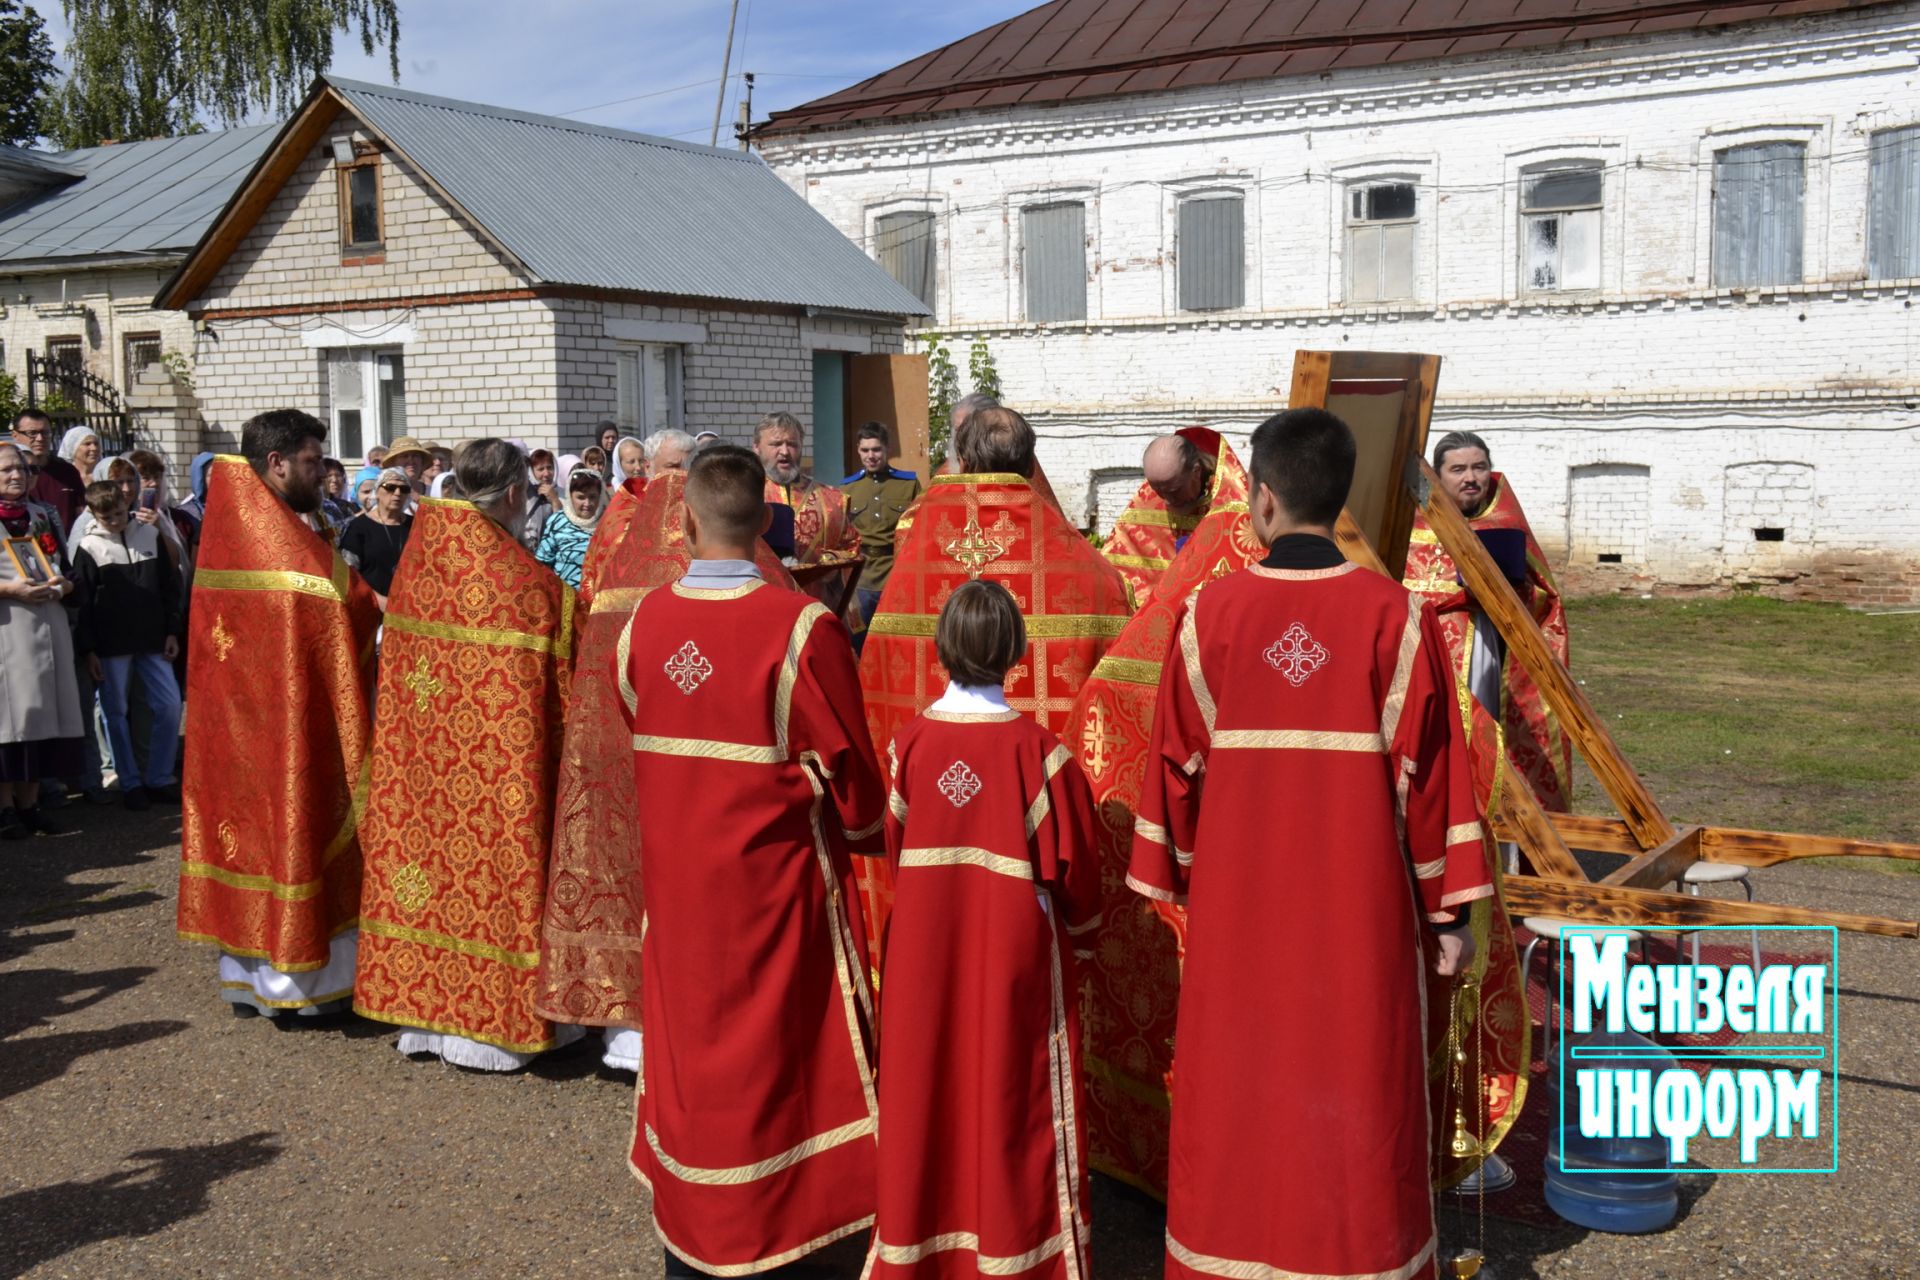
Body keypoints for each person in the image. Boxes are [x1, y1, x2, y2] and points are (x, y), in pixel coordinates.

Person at [1128, 408, 1491, 1280]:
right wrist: (1448, 917)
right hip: (1359, 932)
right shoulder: (1398, 621)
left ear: (1258, 501)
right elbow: (1437, 787)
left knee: (1242, 1105)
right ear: (1341, 501)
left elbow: (1170, 768)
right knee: (1357, 1107)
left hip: (1238, 925)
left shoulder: (1208, 615)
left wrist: (1171, 878)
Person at [618, 444, 881, 1274]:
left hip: (679, 894)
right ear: (769, 523)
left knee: (697, 1055)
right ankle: (790, 1226)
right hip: (775, 891)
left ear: (685, 519)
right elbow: (855, 782)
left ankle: (697, 1219)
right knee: (782, 1052)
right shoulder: (802, 626)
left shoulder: (642, 624)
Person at [869, 580, 1097, 1280]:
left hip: (925, 952)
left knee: (928, 1089)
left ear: (941, 650)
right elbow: (1077, 873)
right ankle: (1016, 1254)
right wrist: (1083, 935)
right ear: (1017, 653)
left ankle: (922, 1248)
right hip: (1012, 958)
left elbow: (895, 850)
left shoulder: (909, 746)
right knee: (1010, 1097)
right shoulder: (1041, 754)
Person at [535, 468, 795, 1073]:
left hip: (625, 765)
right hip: (718, 784)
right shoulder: (770, 589)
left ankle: (624, 1027)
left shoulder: (619, 583)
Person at [856, 404, 1131, 965]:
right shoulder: (1087, 571)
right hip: (1032, 815)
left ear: (961, 459)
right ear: (1031, 462)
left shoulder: (918, 540)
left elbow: (880, 676)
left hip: (928, 792)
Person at [354, 438, 579, 1070]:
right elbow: (565, 691)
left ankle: (426, 1018)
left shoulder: (419, 573)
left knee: (428, 872)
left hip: (423, 775)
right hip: (504, 784)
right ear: (512, 496)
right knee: (495, 879)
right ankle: (503, 1029)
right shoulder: (533, 590)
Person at [179, 411, 381, 1019]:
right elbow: (347, 601)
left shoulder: (236, 525)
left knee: (248, 831)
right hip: (285, 725)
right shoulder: (283, 553)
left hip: (236, 729)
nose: (323, 474)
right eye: (314, 462)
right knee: (295, 824)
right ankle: (305, 990)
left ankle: (246, 979)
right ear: (278, 463)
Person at [1402, 430, 1572, 810]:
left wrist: (1513, 590)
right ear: (1438, 475)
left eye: (1479, 467)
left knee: (1495, 746)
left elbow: (1546, 595)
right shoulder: (1414, 528)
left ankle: (1503, 834)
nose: (1470, 477)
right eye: (1458, 469)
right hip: (1439, 655)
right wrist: (1465, 591)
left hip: (1497, 659)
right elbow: (1405, 589)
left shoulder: (1506, 523)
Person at [71, 481, 183, 811]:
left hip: (153, 639)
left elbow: (169, 586)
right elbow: (85, 604)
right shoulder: (89, 547)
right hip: (111, 645)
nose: (117, 521)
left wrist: (172, 630)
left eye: (120, 513)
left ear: (127, 504)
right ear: (93, 514)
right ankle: (130, 781)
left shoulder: (149, 535)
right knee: (115, 712)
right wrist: (89, 649)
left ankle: (159, 777)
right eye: (108, 517)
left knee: (170, 705)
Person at [0, 442, 83, 838]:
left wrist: (62, 584)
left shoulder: (42, 515)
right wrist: (11, 590)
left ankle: (30, 804)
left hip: (46, 626)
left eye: (20, 469)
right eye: (6, 470)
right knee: (6, 722)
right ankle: (4, 809)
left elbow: (66, 569)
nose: (16, 476)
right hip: (6, 630)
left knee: (40, 719)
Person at [1102, 428, 1249, 611]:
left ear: (1196, 471)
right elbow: (1118, 568)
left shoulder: (1232, 499)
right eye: (1157, 490)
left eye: (1174, 491)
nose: (1166, 500)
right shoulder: (1154, 492)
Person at [838, 421, 921, 638]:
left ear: (887, 449)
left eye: (876, 449)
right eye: (865, 450)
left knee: (894, 641)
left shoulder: (908, 484)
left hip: (895, 575)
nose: (871, 455)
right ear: (858, 450)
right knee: (859, 641)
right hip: (861, 579)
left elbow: (919, 530)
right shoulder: (847, 488)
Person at [755, 410, 858, 571]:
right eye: (776, 444)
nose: (785, 452)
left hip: (815, 592)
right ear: (757, 447)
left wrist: (829, 561)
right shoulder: (745, 495)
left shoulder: (833, 498)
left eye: (792, 444)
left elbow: (852, 547)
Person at [337, 467, 414, 600]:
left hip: (408, 607)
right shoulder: (359, 527)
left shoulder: (416, 525)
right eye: (390, 487)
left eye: (404, 489)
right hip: (372, 607)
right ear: (377, 491)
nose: (397, 493)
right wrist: (377, 599)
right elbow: (349, 574)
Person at [13, 410, 85, 533]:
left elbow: (81, 515)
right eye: (32, 433)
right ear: (15, 436)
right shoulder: (9, 475)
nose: (40, 438)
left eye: (45, 432)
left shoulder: (67, 472)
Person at [534, 465, 604, 588]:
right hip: (567, 599)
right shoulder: (558, 522)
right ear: (570, 496)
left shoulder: (609, 522)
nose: (587, 503)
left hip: (600, 602)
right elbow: (542, 565)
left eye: (593, 497)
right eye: (581, 497)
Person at [524, 448, 558, 550]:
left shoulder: (562, 493)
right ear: (531, 471)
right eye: (540, 469)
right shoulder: (525, 495)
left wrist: (555, 500)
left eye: (549, 468)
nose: (546, 474)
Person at [320, 458, 358, 526]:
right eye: (329, 476)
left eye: (338, 475)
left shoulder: (350, 507)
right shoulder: (316, 507)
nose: (334, 480)